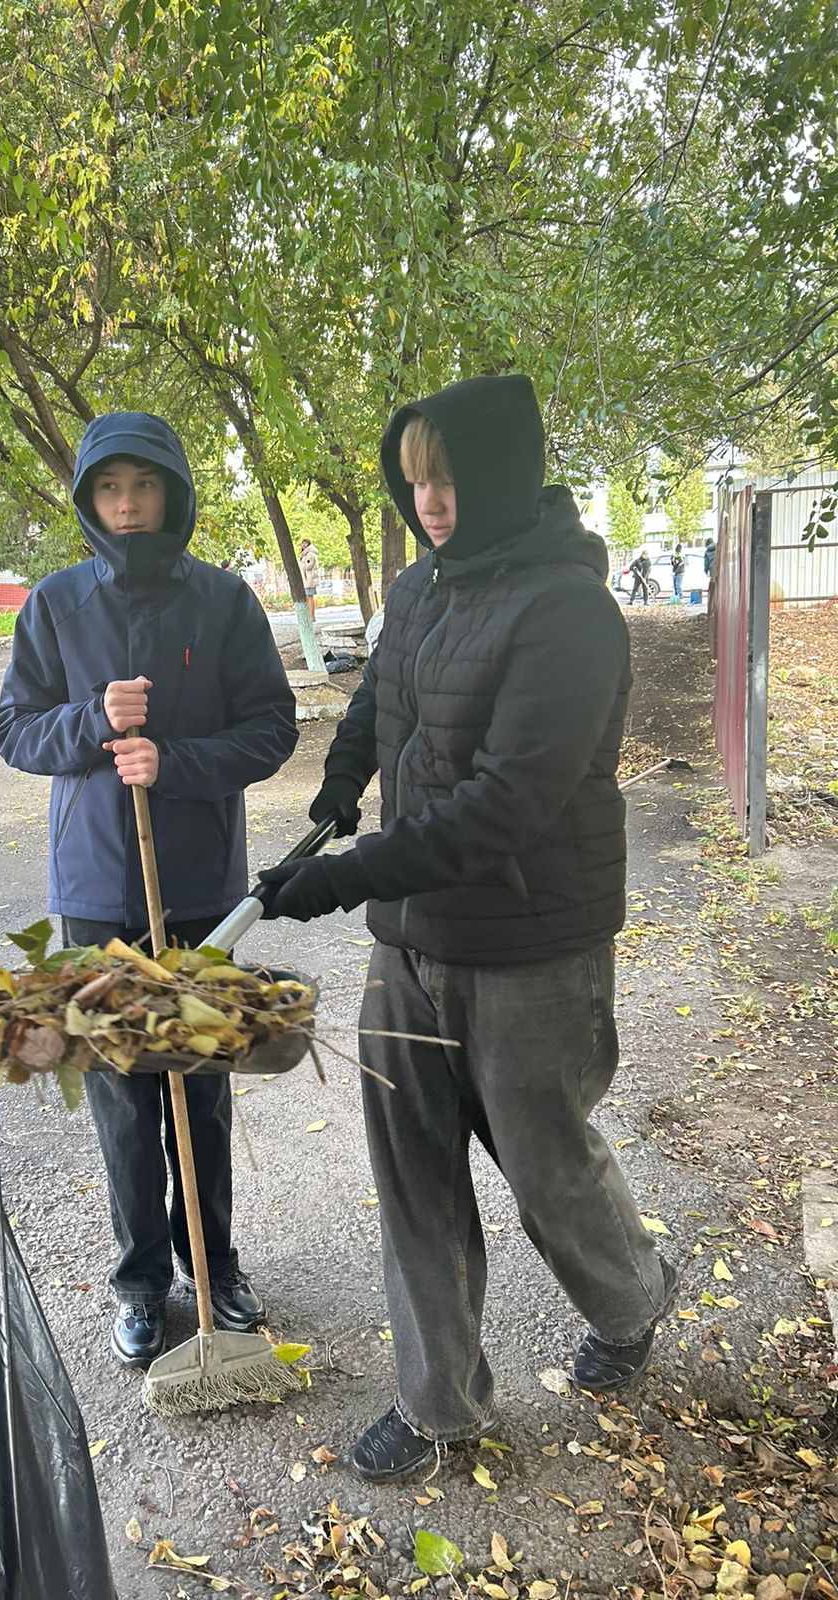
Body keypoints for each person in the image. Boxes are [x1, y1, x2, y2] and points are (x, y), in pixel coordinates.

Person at [257, 375, 676, 1481]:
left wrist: (344, 879)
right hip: (412, 943)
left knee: (547, 1167)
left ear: (501, 473)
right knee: (412, 1170)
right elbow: (382, 692)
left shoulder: (570, 613)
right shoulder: (422, 585)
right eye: (413, 479)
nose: (428, 499)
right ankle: (439, 1404)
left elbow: (506, 804)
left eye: (447, 477)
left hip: (535, 943)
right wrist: (343, 783)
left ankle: (632, 1299)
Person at [0, 413, 297, 1367]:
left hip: (201, 886)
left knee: (199, 1087)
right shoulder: (54, 605)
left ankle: (215, 1267)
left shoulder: (224, 603)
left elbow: (270, 730)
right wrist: (89, 721)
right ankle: (140, 1280)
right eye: (109, 489)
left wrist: (173, 761)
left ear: (173, 491)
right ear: (89, 501)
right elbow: (14, 729)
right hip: (94, 890)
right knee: (125, 1095)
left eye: (144, 486)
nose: (127, 505)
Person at [298, 536, 321, 620]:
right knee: (307, 597)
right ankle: (310, 615)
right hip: (307, 579)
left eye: (305, 543)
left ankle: (312, 615)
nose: (303, 545)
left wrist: (301, 564)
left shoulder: (310, 554)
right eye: (302, 543)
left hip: (310, 579)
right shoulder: (305, 554)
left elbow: (308, 566)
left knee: (310, 596)